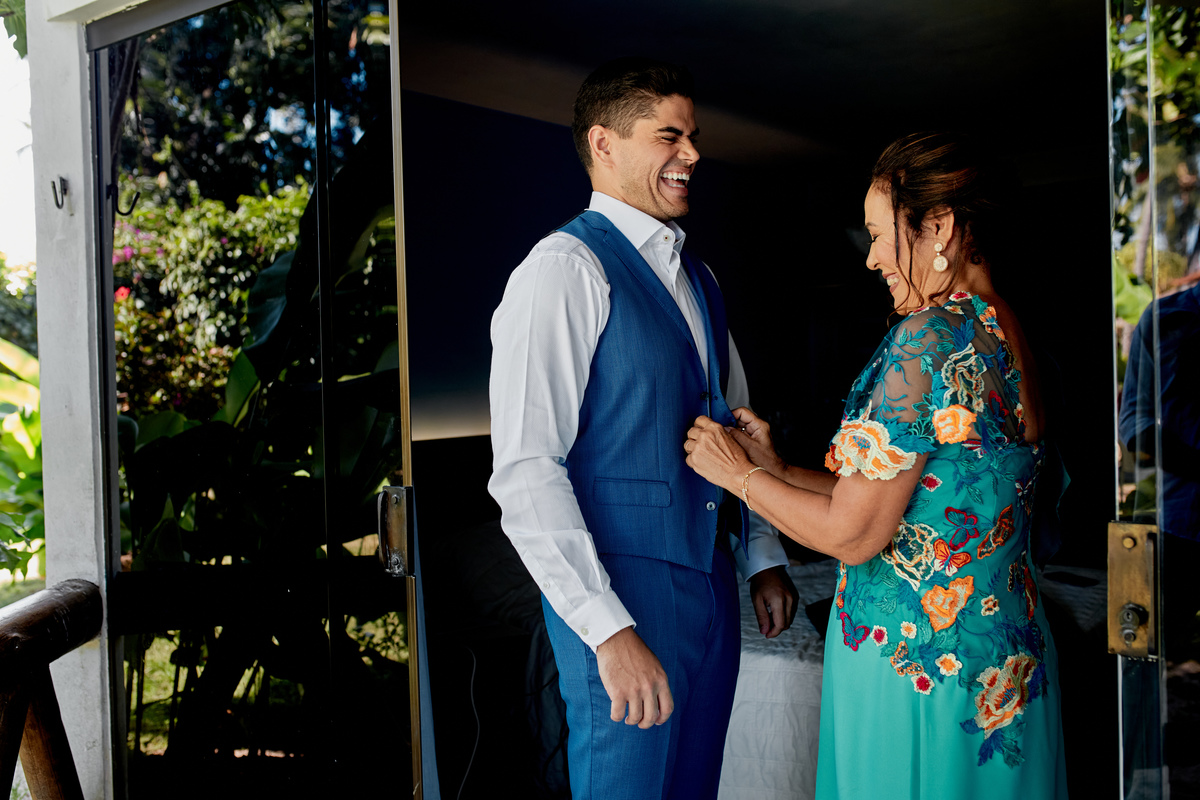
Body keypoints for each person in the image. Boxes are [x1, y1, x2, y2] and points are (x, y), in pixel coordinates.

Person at [684, 131, 1068, 798]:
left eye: (879, 235)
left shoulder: (927, 339)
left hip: (918, 670)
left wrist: (735, 477)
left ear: (938, 226)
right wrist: (776, 468)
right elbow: (919, 496)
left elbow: (852, 533)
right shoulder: (1005, 330)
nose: (871, 259)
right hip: (1005, 664)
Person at [488, 57, 798, 799]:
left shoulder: (701, 279)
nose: (692, 153)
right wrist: (608, 630)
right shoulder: (562, 269)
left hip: (712, 585)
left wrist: (762, 555)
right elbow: (528, 470)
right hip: (620, 590)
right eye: (669, 136)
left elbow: (736, 430)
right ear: (604, 143)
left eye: (692, 137)